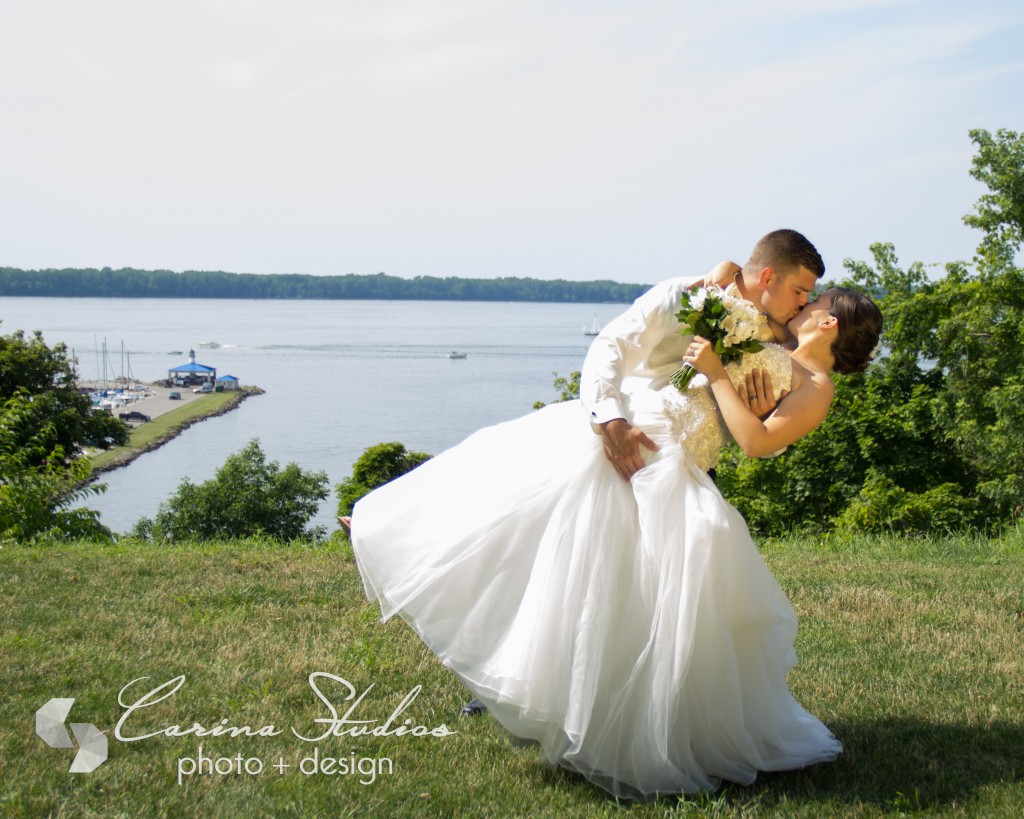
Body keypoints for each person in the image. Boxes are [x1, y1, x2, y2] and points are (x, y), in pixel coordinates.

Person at [348, 238, 883, 799]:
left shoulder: (796, 360)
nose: (804, 304)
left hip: (677, 457)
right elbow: (674, 327)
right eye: (801, 292)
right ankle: (502, 655)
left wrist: (728, 381)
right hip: (636, 430)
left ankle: (621, 718)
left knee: (625, 588)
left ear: (827, 323)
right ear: (772, 277)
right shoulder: (726, 304)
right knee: (533, 525)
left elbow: (758, 437)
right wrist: (720, 283)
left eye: (812, 301)